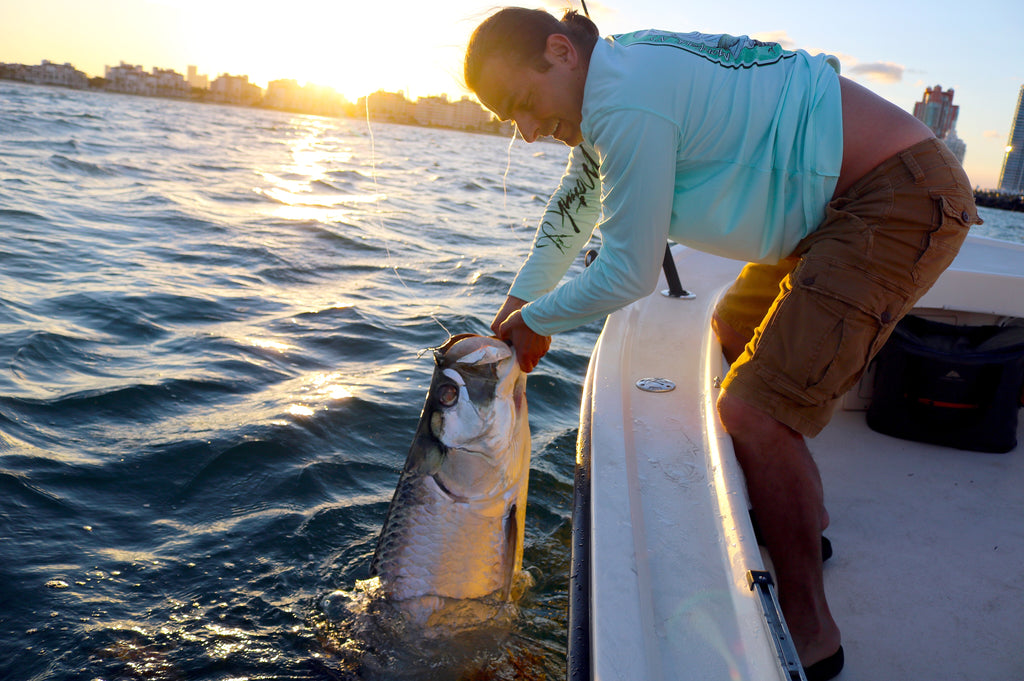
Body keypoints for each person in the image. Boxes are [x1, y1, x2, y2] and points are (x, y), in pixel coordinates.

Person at [464, 7, 981, 680]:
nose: (528, 133)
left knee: (753, 411)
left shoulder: (623, 99)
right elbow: (573, 213)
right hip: (829, 211)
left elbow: (629, 268)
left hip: (897, 192)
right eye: (512, 123)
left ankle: (812, 635)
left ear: (561, 52)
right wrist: (511, 311)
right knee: (733, 329)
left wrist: (534, 326)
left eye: (524, 105)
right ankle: (806, 519)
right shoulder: (614, 80)